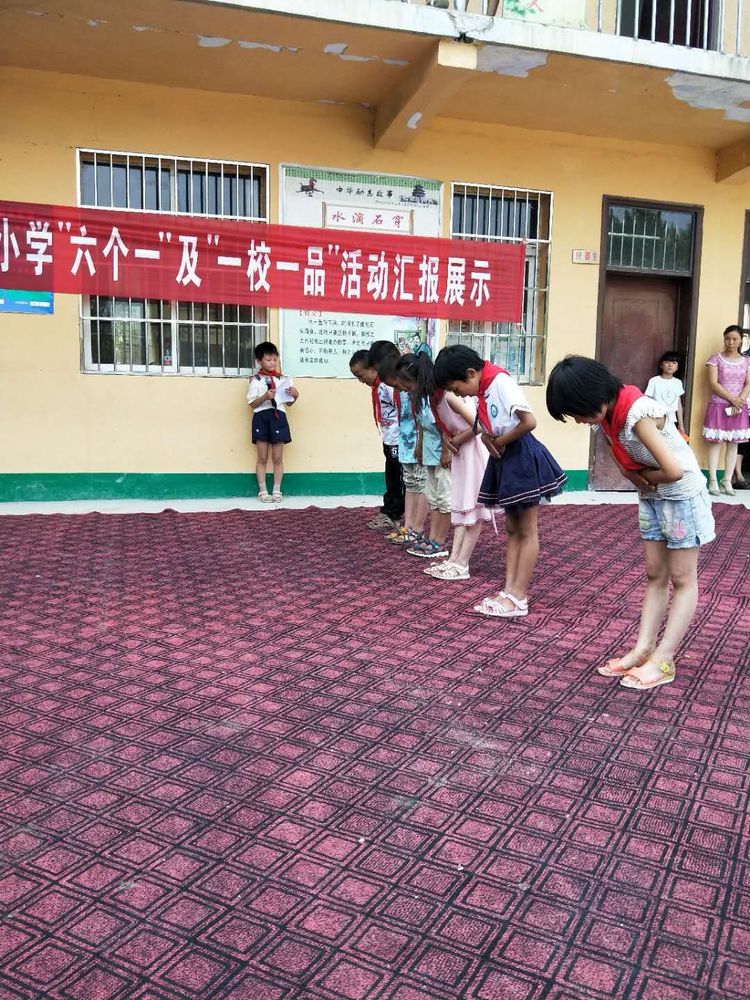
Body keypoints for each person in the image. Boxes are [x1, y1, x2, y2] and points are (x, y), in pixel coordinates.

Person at [547, 355, 715, 693]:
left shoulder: (636, 413)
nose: (579, 421)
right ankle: (643, 648)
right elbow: (619, 454)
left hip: (679, 495)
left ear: (593, 398)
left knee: (682, 580)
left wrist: (640, 480)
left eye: (577, 413)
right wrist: (635, 478)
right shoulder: (607, 417)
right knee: (655, 575)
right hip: (654, 496)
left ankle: (664, 658)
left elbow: (673, 470)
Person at [434, 345, 565, 618]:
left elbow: (529, 422)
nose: (457, 394)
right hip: (503, 455)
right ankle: (508, 591)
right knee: (512, 528)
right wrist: (486, 439)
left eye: (457, 388)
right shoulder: (484, 388)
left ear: (471, 373)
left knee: (527, 530)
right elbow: (484, 425)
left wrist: (499, 442)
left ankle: (519, 597)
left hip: (520, 455)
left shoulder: (500, 383)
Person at [424, 389, 490, 580]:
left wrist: (456, 440)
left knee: (474, 507)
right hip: (460, 452)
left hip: (472, 452)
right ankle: (454, 559)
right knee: (460, 506)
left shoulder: (449, 396)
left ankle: (463, 563)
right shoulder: (434, 399)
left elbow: (479, 425)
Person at [394, 353, 451, 560]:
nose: (404, 390)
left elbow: (445, 426)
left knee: (444, 498)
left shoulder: (435, 397)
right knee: (433, 497)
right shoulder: (417, 398)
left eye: (406, 385)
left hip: (443, 455)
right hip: (428, 453)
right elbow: (422, 425)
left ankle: (440, 541)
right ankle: (431, 537)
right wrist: (418, 447)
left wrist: (446, 450)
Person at [377, 352, 429, 548]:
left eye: (397, 384)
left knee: (420, 482)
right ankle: (408, 525)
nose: (397, 389)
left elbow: (422, 422)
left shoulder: (419, 394)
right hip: (404, 441)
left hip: (417, 443)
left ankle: (417, 527)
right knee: (410, 482)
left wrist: (419, 444)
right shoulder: (404, 392)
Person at [349, 349, 405, 531]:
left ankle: (394, 514)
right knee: (391, 476)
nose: (360, 380)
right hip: (389, 439)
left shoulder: (389, 386)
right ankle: (389, 512)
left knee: (398, 479)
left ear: (373, 368)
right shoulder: (378, 387)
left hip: (399, 440)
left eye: (361, 375)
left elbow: (403, 412)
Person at [702, 325, 750, 496]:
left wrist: (740, 401)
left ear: (740, 341)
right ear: (724, 339)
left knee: (733, 445)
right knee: (715, 444)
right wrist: (733, 399)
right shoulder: (715, 359)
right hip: (719, 405)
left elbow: (748, 383)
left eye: (735, 339)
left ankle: (727, 481)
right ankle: (713, 480)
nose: (731, 342)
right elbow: (714, 384)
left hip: (738, 407)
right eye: (727, 338)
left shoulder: (746, 361)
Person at [247, 341, 298, 502]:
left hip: (279, 417)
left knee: (278, 457)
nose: (272, 363)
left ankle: (277, 490)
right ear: (259, 361)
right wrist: (264, 397)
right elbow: (251, 404)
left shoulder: (284, 379)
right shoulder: (255, 380)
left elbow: (288, 403)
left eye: (275, 359)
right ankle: (263, 490)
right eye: (268, 360)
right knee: (262, 457)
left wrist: (295, 395)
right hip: (261, 418)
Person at [645, 351, 686, 437]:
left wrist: (681, 425)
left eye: (674, 363)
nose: (670, 365)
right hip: (656, 418)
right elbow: (647, 401)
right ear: (661, 365)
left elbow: (678, 405)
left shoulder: (677, 383)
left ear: (677, 367)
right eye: (667, 362)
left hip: (671, 420)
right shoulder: (654, 381)